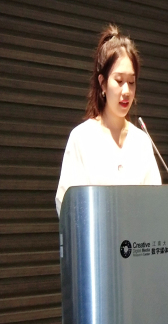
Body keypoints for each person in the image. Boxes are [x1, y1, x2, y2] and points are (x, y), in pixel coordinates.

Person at [55, 24, 162, 216]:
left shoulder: (142, 142)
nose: (126, 91)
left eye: (131, 82)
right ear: (102, 83)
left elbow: (156, 205)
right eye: (119, 81)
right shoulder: (82, 138)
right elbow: (66, 206)